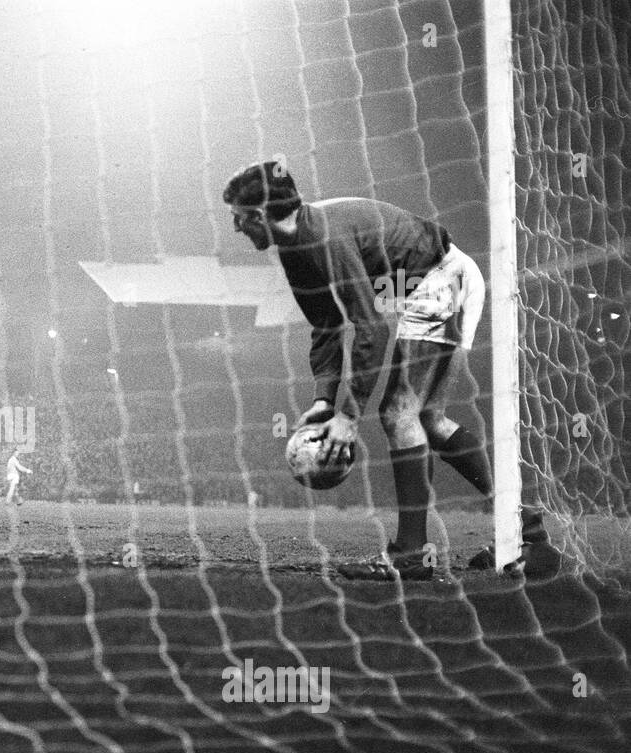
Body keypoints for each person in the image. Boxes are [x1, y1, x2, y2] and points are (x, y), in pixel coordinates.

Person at [222, 160, 558, 578]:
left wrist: (349, 415)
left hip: (440, 278)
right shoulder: (296, 248)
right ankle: (524, 524)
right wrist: (325, 401)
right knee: (427, 421)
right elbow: (327, 324)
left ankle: (410, 555)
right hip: (426, 283)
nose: (237, 228)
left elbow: (371, 328)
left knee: (399, 413)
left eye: (237, 219)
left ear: (257, 215)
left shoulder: (323, 238)